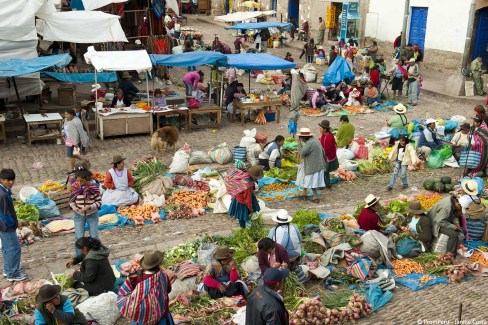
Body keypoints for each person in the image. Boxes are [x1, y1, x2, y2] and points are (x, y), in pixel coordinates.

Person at [117, 250, 175, 325]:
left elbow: (132, 295)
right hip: (162, 313)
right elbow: (168, 290)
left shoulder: (138, 278)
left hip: (144, 317)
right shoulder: (164, 275)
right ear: (158, 264)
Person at [0, 169, 26, 281]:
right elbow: (5, 214)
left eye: (12, 180)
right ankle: (13, 273)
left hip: (3, 226)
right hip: (6, 226)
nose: (11, 182)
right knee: (14, 248)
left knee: (6, 248)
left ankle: (7, 269)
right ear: (1, 180)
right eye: (8, 180)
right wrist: (14, 224)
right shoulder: (3, 195)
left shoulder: (4, 191)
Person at [70, 169, 101, 255]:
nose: (79, 183)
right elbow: (72, 201)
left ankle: (96, 254)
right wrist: (74, 207)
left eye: (82, 181)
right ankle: (80, 257)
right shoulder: (75, 188)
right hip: (79, 215)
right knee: (79, 236)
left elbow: (99, 202)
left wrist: (90, 206)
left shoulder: (94, 189)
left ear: (88, 180)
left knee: (94, 236)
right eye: (77, 180)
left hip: (92, 214)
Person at [295, 128, 327, 203]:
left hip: (313, 166)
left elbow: (302, 153)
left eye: (301, 138)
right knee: (305, 177)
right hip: (319, 164)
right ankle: (303, 192)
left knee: (312, 182)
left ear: (303, 138)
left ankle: (315, 197)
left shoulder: (309, 143)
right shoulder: (315, 140)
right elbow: (323, 152)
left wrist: (299, 144)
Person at [63, 108, 89, 172]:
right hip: (68, 139)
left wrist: (80, 142)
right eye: (65, 114)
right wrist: (63, 131)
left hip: (74, 140)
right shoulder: (66, 120)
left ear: (71, 114)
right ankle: (84, 160)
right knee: (74, 154)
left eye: (67, 114)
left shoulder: (77, 121)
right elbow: (64, 126)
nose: (65, 116)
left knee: (70, 155)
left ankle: (72, 170)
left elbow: (81, 132)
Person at [319, 120, 339, 189]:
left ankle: (325, 184)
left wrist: (320, 155)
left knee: (324, 171)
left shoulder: (329, 137)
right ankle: (327, 183)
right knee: (324, 171)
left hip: (329, 156)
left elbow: (327, 149)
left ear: (325, 129)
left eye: (321, 128)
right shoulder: (323, 135)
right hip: (324, 155)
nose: (319, 129)